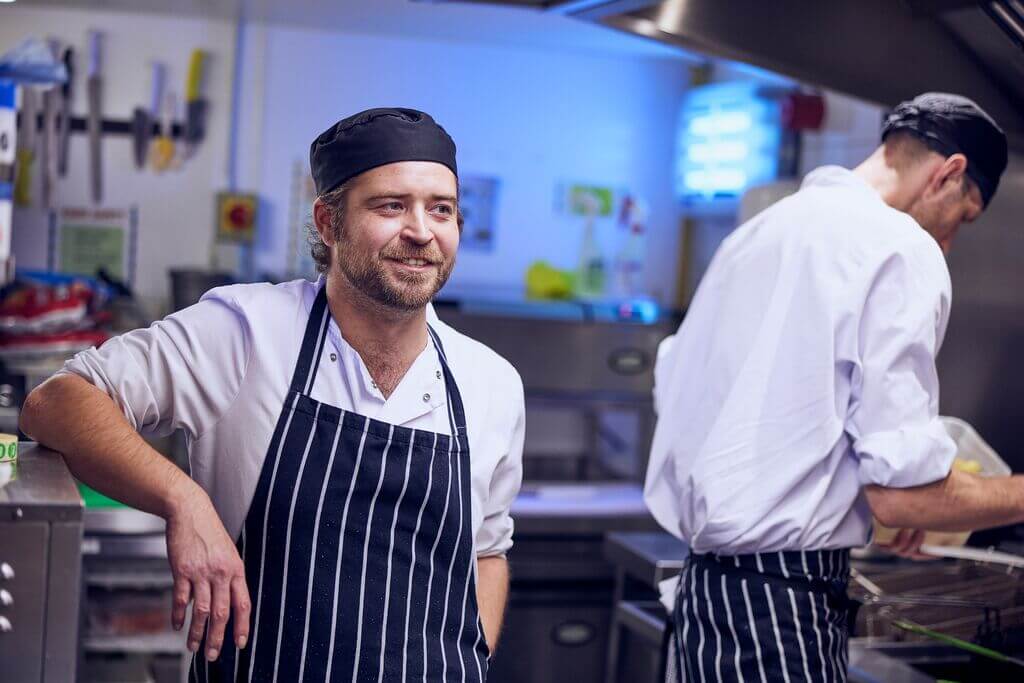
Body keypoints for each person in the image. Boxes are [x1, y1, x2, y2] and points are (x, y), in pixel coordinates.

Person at [21, 107, 525, 682]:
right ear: (328, 223)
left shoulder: (491, 383)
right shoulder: (245, 331)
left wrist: (467, 661)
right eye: (391, 205)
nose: (421, 230)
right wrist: (182, 498)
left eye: (442, 209)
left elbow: (487, 554)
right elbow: (58, 401)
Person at [645, 93, 1016, 682]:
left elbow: (709, 401)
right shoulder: (900, 246)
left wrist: (858, 495)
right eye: (960, 219)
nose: (948, 242)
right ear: (949, 174)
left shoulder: (758, 233)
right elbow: (906, 498)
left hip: (704, 595)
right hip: (777, 611)